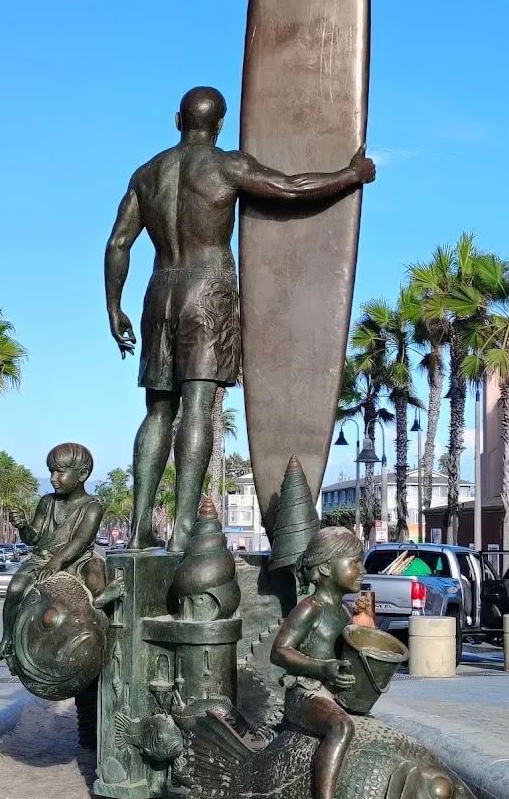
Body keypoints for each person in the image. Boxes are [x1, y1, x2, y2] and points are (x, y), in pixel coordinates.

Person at [105, 86, 376, 555]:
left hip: (159, 292)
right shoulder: (226, 165)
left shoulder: (147, 174)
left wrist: (114, 306)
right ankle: (185, 529)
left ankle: (136, 531)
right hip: (207, 288)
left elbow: (118, 245)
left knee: (157, 410)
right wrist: (351, 174)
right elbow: (292, 188)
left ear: (177, 120)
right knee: (196, 407)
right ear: (221, 124)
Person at [271, 527, 366, 799]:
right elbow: (280, 650)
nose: (361, 570)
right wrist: (320, 667)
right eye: (354, 562)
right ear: (326, 568)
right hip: (303, 693)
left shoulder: (342, 612)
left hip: (328, 691)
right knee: (340, 727)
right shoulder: (310, 608)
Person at [0, 444, 108, 664]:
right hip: (41, 559)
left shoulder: (93, 507)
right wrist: (23, 526)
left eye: (60, 472)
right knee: (15, 588)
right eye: (51, 471)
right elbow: (32, 538)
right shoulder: (47, 502)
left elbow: (80, 541)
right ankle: (7, 640)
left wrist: (56, 562)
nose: (53, 478)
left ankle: (100, 625)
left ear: (82, 475)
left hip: (75, 560)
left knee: (96, 574)